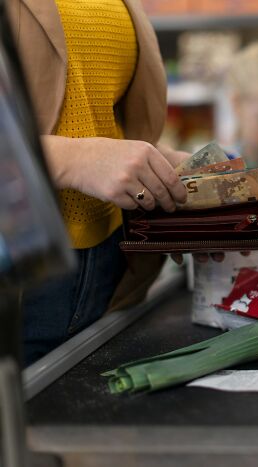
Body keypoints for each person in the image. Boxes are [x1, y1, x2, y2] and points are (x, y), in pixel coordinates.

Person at [8, 0, 191, 365]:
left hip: (112, 270)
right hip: (18, 271)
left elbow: (97, 116)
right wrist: (72, 159)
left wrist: (153, 166)